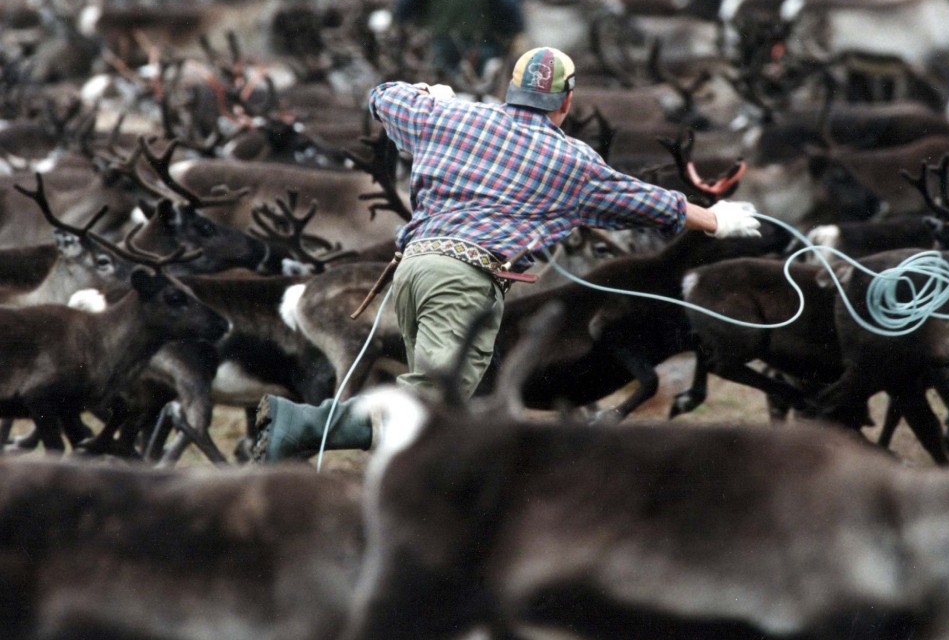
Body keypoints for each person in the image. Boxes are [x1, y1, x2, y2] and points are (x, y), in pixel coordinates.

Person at [251, 46, 761, 464]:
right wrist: (716, 219)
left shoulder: (448, 118)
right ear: (565, 102)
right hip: (461, 278)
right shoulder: (572, 160)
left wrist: (431, 95)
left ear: (510, 90)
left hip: (412, 273)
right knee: (433, 408)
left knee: (443, 402)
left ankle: (419, 486)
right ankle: (300, 425)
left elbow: (383, 96)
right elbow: (643, 200)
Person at [393, 0, 524, 75]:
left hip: (440, 38)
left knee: (440, 93)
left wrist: (397, 25)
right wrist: (516, 32)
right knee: (479, 96)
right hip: (481, 40)